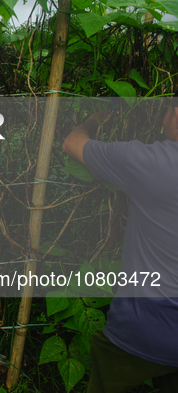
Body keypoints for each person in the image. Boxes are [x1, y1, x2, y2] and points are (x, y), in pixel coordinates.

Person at [62, 96, 178, 392]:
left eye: (165, 111)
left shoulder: (153, 163)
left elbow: (73, 144)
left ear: (176, 114)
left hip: (143, 327)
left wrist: (97, 119)